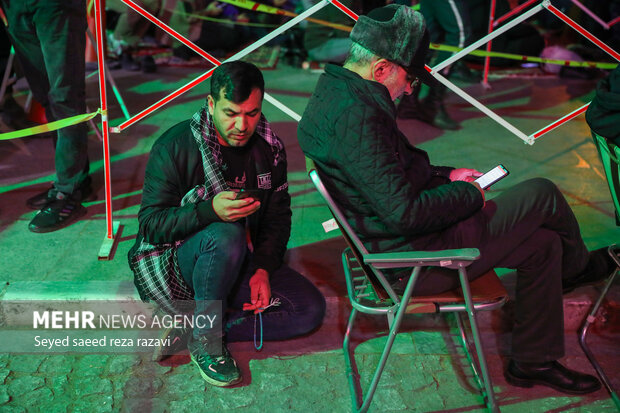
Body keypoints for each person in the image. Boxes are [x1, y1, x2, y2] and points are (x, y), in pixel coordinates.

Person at [298, 4, 616, 396]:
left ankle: (533, 359)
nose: (411, 89)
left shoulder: (338, 91)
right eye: (409, 77)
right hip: (412, 263)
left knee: (545, 245)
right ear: (381, 68)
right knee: (542, 194)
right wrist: (468, 194)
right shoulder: (358, 118)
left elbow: (387, 172)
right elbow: (402, 213)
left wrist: (445, 175)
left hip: (403, 243)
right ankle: (580, 269)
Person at [129, 61, 325, 387]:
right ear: (211, 104)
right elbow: (151, 226)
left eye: (252, 113)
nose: (242, 124)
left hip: (237, 260)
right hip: (180, 264)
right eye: (231, 113)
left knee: (307, 310)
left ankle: (199, 327)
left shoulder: (269, 148)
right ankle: (208, 340)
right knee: (225, 233)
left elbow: (278, 216)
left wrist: (262, 268)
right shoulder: (175, 146)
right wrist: (209, 211)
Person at [1, 0, 93, 233]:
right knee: (47, 97)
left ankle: (68, 191)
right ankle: (76, 180)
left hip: (54, 5)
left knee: (65, 98)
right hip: (15, 6)